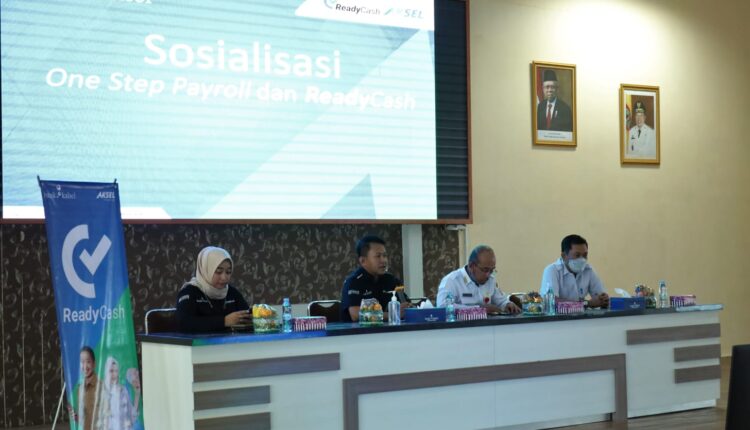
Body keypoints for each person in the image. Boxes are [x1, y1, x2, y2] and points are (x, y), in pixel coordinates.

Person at [176, 246, 251, 333]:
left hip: (231, 341)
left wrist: (252, 317)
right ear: (206, 270)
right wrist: (224, 321)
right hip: (199, 342)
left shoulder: (232, 293)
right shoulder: (189, 292)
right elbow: (184, 324)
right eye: (218, 272)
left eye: (228, 272)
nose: (224, 278)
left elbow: (246, 316)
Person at [339, 235, 411, 322]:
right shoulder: (354, 282)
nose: (383, 260)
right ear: (363, 261)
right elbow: (356, 315)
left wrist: (409, 308)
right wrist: (392, 315)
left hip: (392, 329)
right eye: (378, 256)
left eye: (385, 255)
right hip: (361, 330)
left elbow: (407, 305)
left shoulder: (391, 280)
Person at [436, 245, 521, 314]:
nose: (488, 275)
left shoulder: (490, 280)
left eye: (492, 270)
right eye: (485, 270)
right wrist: (479, 309)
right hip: (461, 328)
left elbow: (500, 301)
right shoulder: (452, 281)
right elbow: (442, 307)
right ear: (471, 266)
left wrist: (507, 304)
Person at [540, 234, 609, 307]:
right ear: (564, 256)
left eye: (585, 255)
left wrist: (603, 300)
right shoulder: (552, 270)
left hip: (581, 314)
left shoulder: (588, 270)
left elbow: (600, 296)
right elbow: (551, 301)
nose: (582, 259)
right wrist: (587, 304)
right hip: (558, 314)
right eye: (577, 255)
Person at [97, 356, 134, 430]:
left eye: (116, 371)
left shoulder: (123, 390)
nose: (114, 374)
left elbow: (130, 412)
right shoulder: (103, 391)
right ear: (107, 372)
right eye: (111, 371)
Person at [69, 346, 102, 430]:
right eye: (82, 362)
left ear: (94, 364)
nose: (85, 366)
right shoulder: (79, 389)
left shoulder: (101, 386)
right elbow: (84, 421)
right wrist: (76, 417)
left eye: (88, 362)